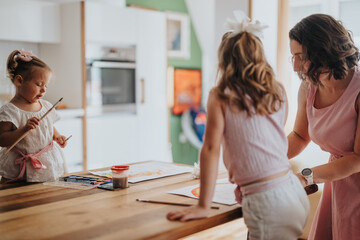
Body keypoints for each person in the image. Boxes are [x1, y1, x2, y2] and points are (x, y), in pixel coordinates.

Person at [167, 11, 309, 239]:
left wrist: (203, 206)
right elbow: (273, 140)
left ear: (224, 61)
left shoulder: (220, 96)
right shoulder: (278, 90)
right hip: (293, 191)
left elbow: (211, 149)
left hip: (267, 202)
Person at [288, 14, 360, 239]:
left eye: (301, 57)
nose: (296, 67)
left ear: (324, 51)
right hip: (337, 183)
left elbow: (357, 159)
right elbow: (300, 136)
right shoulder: (309, 87)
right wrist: (265, 158)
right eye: (293, 57)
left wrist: (304, 177)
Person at [0, 49, 67, 183]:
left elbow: (48, 125)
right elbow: (2, 140)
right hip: (18, 168)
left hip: (46, 165)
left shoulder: (46, 106)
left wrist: (57, 136)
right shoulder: (9, 111)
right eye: (39, 85)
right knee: (18, 200)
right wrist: (23, 130)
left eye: (46, 86)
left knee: (45, 197)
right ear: (19, 81)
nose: (43, 90)